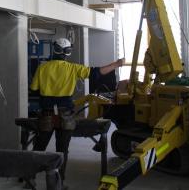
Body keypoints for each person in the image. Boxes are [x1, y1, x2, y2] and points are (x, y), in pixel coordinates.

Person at [30, 37, 124, 186]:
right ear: (67, 52)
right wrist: (117, 64)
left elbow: (34, 89)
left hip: (47, 114)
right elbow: (97, 72)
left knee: (39, 147)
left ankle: (30, 178)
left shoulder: (42, 68)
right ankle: (59, 182)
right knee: (62, 150)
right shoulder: (73, 68)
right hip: (66, 115)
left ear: (54, 49)